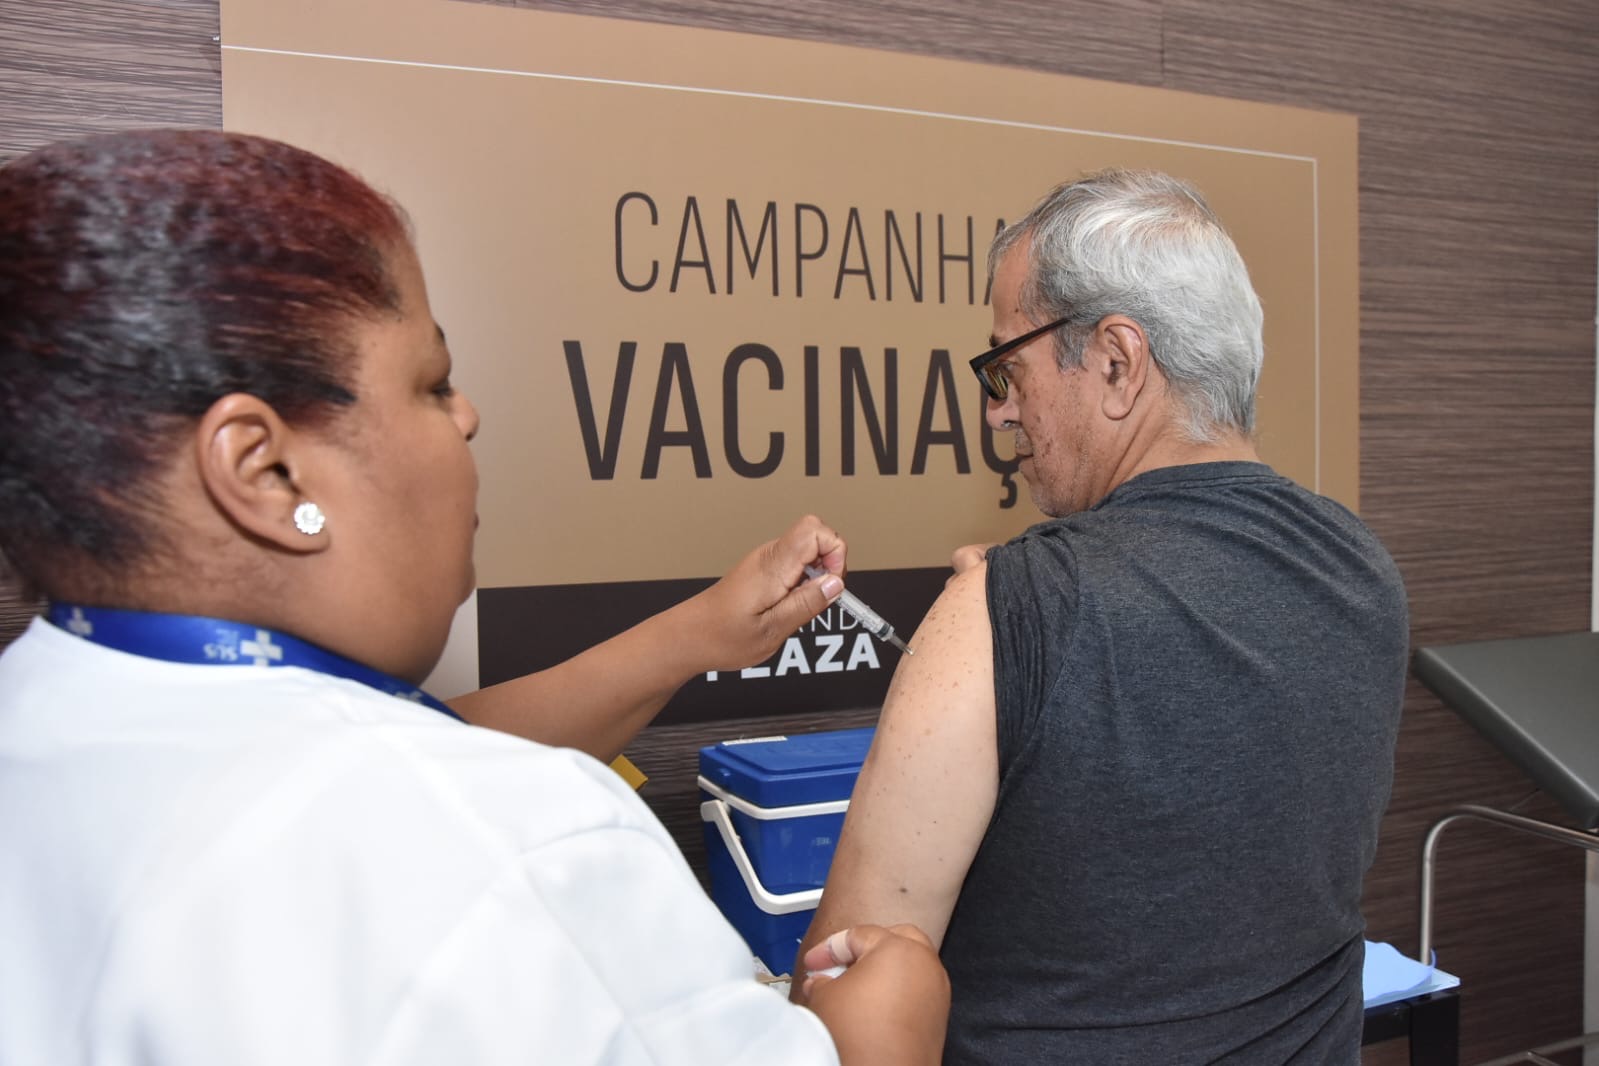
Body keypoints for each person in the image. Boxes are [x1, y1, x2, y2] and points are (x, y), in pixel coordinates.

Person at [0, 129, 947, 1066]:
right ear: (267, 472)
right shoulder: (514, 850)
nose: (468, 416)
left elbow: (399, 749)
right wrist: (878, 1041)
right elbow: (439, 798)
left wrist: (696, 635)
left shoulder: (56, 720)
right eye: (433, 383)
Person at [794, 169, 1408, 1063]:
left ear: (1116, 363)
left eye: (1007, 367)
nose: (998, 410)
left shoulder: (1009, 610)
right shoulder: (1363, 570)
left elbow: (836, 994)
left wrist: (1004, 613)